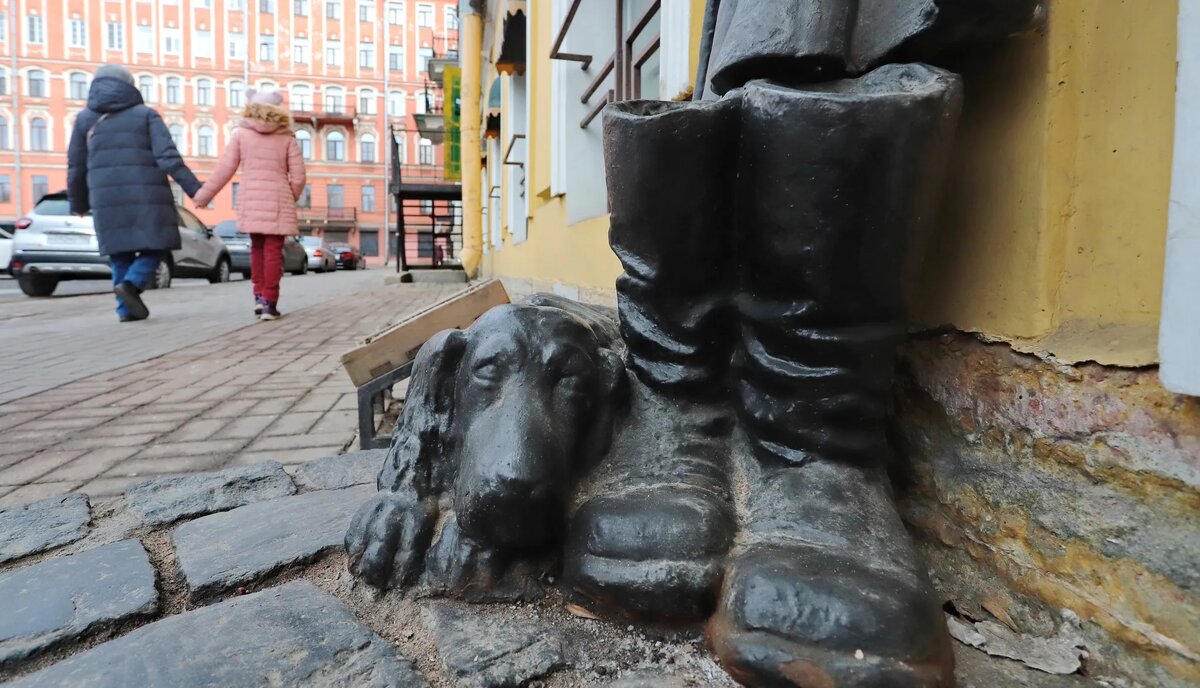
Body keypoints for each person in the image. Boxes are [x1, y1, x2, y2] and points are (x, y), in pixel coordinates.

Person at [68, 64, 202, 322]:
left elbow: (76, 165)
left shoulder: (85, 119)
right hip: (146, 194)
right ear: (130, 85)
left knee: (120, 253)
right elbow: (168, 157)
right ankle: (132, 284)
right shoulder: (145, 115)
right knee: (159, 244)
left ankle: (125, 310)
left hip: (105, 197)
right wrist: (194, 189)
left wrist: (78, 202)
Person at [192, 89, 306, 321]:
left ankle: (258, 297)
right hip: (277, 197)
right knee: (274, 251)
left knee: (256, 248)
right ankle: (269, 304)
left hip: (251, 197)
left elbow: (225, 168)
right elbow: (299, 176)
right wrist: (289, 196)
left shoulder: (241, 135)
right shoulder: (287, 138)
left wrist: (204, 195)